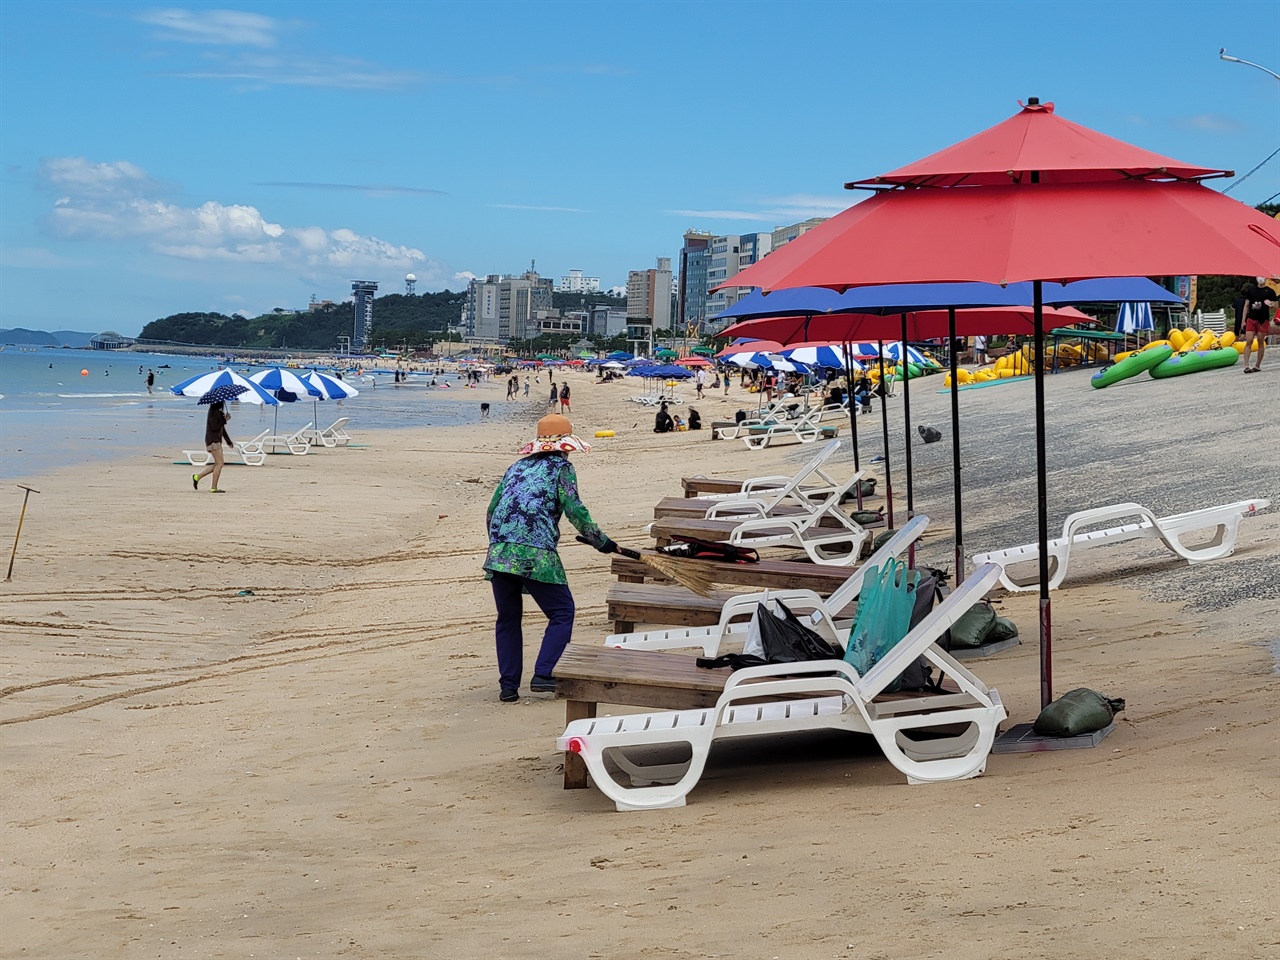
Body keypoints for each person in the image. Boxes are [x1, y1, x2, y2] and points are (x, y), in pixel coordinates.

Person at [484, 414, 615, 702]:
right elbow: (575, 509)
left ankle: (508, 686)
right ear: (566, 445)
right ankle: (544, 673)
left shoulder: (516, 467)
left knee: (507, 618)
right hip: (536, 551)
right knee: (562, 611)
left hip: (499, 551)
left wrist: (498, 543)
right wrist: (601, 542)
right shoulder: (562, 469)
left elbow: (492, 510)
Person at [193, 401, 233, 493]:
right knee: (219, 464)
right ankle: (213, 487)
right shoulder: (213, 412)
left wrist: (228, 441)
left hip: (217, 441)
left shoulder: (219, 412)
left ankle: (197, 477)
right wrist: (225, 420)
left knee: (218, 464)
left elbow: (222, 429)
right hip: (212, 441)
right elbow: (215, 427)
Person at [1241, 277, 1278, 373]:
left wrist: (1270, 304)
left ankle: (1257, 365)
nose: (1260, 278)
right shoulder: (1251, 289)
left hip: (1263, 319)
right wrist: (1243, 320)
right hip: (1251, 318)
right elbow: (1246, 305)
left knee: (1260, 341)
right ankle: (1246, 365)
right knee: (1249, 340)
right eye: (1258, 276)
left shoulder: (1270, 291)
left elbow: (1276, 308)